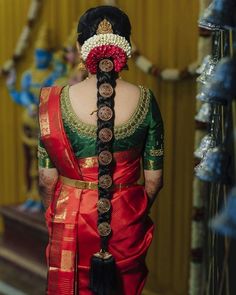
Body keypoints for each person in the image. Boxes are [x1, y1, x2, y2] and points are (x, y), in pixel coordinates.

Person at [38, 5, 164, 295]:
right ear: (127, 46)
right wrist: (131, 211)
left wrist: (55, 214)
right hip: (125, 219)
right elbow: (155, 181)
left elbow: (47, 179)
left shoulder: (52, 102)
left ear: (81, 46)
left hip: (71, 217)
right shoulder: (146, 99)